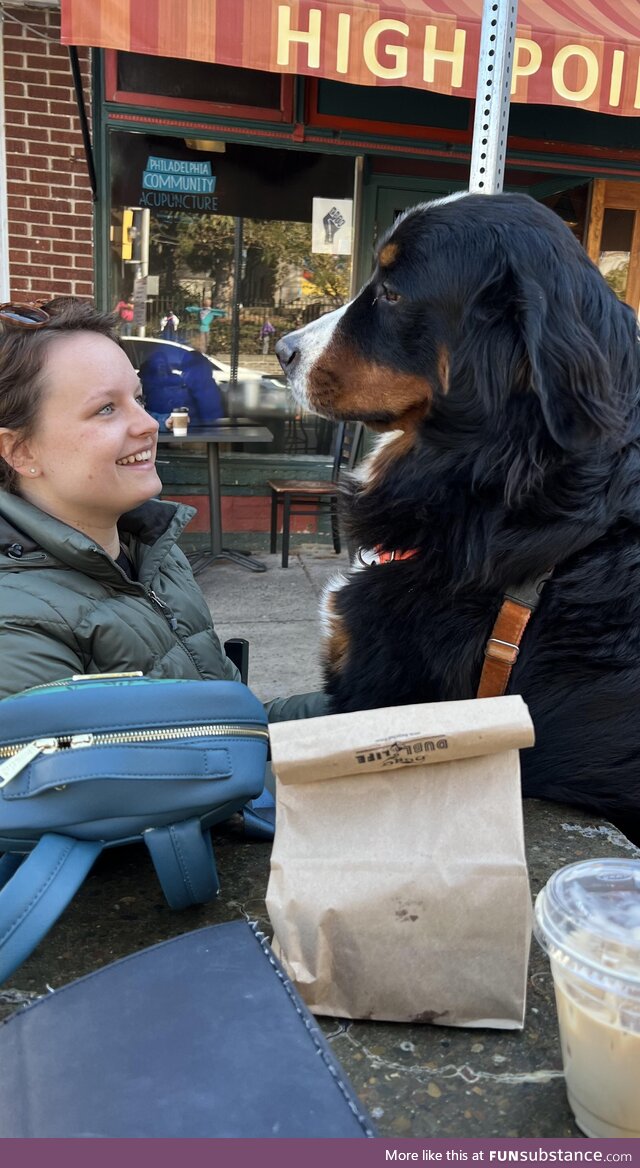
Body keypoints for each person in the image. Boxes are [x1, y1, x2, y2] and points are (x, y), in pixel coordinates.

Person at [0, 296, 326, 721]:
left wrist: (375, 701)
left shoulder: (152, 550)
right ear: (19, 450)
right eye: (105, 409)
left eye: (138, 398)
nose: (148, 423)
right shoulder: (18, 629)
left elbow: (225, 730)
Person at [139, 345, 223, 430]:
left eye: (164, 364)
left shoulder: (184, 383)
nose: (161, 367)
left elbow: (209, 415)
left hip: (193, 430)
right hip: (167, 430)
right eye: (157, 365)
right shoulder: (146, 388)